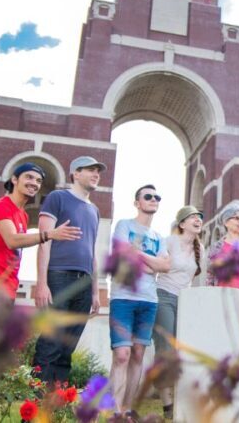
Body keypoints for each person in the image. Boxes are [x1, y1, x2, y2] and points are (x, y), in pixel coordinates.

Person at [32, 155, 105, 384]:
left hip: (84, 283)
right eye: (90, 170)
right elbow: (45, 241)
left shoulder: (94, 210)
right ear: (75, 173)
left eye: (98, 171)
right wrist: (41, 283)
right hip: (58, 277)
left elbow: (91, 252)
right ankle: (32, 409)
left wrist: (95, 292)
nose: (96, 175)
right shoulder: (57, 198)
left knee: (67, 348)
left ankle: (54, 407)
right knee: (50, 344)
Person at [0, 163, 81, 298]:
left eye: (38, 181)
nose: (34, 183)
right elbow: (12, 240)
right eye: (29, 177)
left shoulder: (23, 215)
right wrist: (51, 234)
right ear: (14, 180)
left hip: (8, 288)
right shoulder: (1, 206)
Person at [108, 185, 170, 412]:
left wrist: (141, 256)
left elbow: (165, 266)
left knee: (137, 354)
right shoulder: (124, 225)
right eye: (148, 196)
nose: (154, 199)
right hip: (123, 297)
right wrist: (152, 262)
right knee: (122, 355)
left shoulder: (159, 236)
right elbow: (124, 255)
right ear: (137, 203)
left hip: (148, 300)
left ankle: (127, 409)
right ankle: (115, 411)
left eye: (157, 197)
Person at [153, 205, 204, 419]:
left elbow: (195, 279)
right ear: (182, 223)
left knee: (182, 350)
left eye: (200, 217)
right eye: (193, 217)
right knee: (165, 349)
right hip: (164, 296)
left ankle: (182, 398)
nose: (198, 219)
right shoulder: (169, 241)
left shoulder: (200, 247)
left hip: (185, 300)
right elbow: (159, 266)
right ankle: (166, 403)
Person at [205, 203, 239, 289]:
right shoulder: (216, 247)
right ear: (226, 222)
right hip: (222, 298)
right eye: (237, 218)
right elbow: (210, 277)